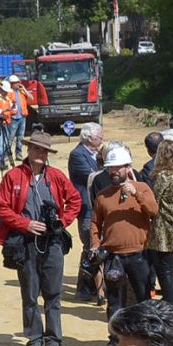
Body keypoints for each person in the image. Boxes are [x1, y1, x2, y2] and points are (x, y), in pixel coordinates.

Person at [0, 132, 81, 346]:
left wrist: (62, 221)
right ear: (29, 150)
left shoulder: (57, 176)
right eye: (36, 149)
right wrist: (25, 224)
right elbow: (2, 207)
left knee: (53, 293)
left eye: (44, 151)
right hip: (26, 242)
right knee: (30, 293)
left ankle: (53, 341)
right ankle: (34, 338)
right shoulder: (13, 176)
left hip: (52, 242)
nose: (40, 154)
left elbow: (75, 200)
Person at [90, 144, 158, 315]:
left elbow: (154, 210)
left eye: (117, 167)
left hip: (140, 253)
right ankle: (115, 339)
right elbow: (95, 223)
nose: (113, 171)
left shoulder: (142, 187)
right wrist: (95, 244)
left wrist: (136, 194)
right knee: (115, 302)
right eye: (111, 168)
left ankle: (145, 337)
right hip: (113, 256)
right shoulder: (102, 195)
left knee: (144, 299)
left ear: (127, 167)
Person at [145, 136, 173, 303]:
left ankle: (171, 305)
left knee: (165, 270)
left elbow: (153, 203)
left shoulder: (163, 176)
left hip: (163, 228)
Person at [68, 123, 106, 302]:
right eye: (99, 136)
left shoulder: (94, 154)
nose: (102, 139)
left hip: (98, 206)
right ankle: (84, 288)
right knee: (89, 247)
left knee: (98, 247)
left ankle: (94, 288)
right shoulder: (77, 155)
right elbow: (93, 176)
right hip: (87, 208)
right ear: (89, 138)